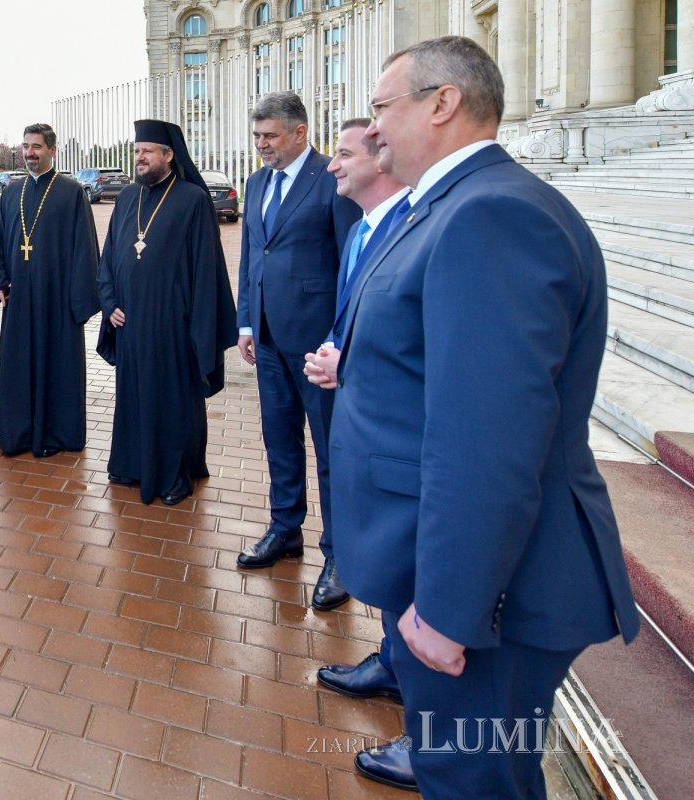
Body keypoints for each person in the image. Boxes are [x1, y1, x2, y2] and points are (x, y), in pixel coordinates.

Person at [331, 36, 639, 797]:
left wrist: (450, 610)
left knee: (476, 781)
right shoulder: (453, 206)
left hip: (485, 598)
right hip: (451, 571)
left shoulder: (490, 214)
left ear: (443, 102)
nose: (373, 128)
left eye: (381, 107)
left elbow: (488, 440)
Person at [303, 117, 414, 788]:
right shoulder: (363, 231)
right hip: (364, 419)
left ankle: (429, 720)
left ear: (381, 159)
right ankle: (394, 662)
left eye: (343, 154)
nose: (332, 165)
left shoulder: (413, 225)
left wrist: (350, 363)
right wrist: (336, 353)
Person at [234, 91, 361, 616]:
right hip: (266, 339)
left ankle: (340, 556)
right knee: (280, 441)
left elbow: (352, 263)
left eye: (270, 136)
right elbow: (251, 256)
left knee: (331, 450)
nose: (261, 145)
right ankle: (285, 529)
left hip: (317, 347)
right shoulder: (257, 182)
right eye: (257, 136)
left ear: (300, 132)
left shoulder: (331, 179)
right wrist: (246, 321)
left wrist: (339, 339)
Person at [96, 119, 236, 506]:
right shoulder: (128, 197)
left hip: (174, 325)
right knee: (132, 396)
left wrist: (199, 326)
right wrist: (109, 303)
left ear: (169, 155)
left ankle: (175, 474)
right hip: (129, 322)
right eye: (137, 151)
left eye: (147, 151)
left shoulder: (193, 200)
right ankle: (130, 464)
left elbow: (206, 269)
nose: (139, 158)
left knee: (173, 401)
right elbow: (109, 258)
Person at [0, 123, 99, 458]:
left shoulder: (72, 192)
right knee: (18, 364)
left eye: (37, 147)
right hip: (18, 297)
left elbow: (85, 247)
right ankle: (16, 430)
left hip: (57, 300)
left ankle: (55, 433)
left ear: (52, 150)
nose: (30, 152)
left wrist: (78, 300)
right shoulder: (12, 192)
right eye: (26, 146)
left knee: (57, 365)